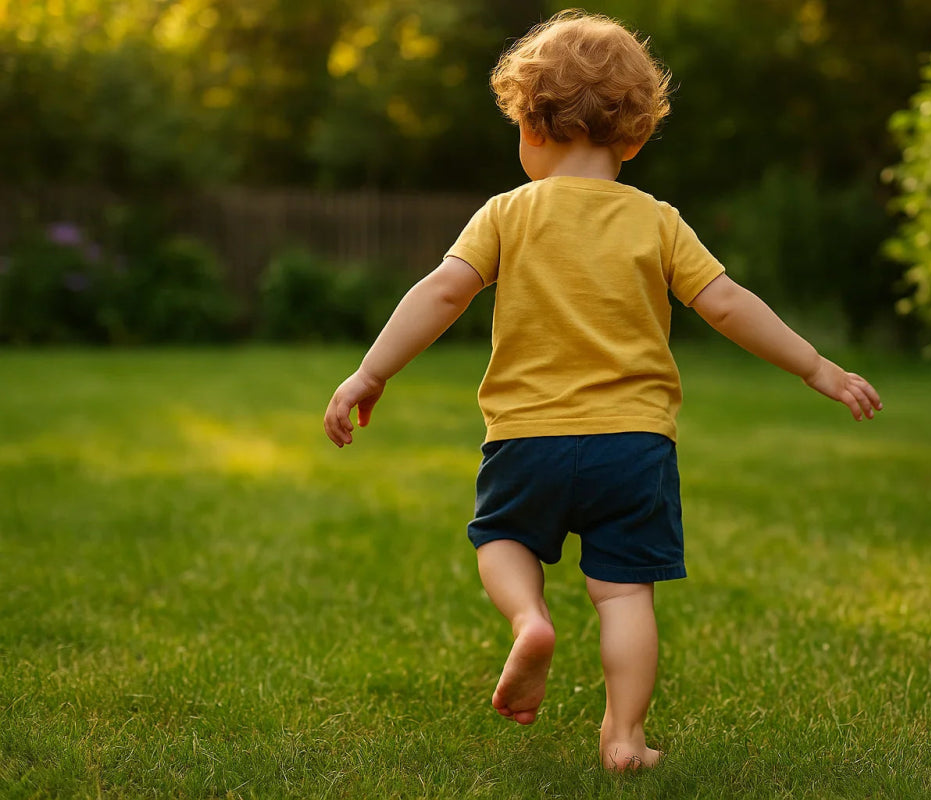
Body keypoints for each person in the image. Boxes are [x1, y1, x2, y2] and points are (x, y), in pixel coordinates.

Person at [323, 9, 882, 773]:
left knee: (503, 542)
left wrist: (371, 370)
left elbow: (442, 293)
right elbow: (725, 302)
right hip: (634, 445)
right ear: (636, 135)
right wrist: (818, 367)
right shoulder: (657, 222)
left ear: (532, 127)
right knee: (623, 597)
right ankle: (622, 736)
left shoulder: (506, 215)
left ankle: (529, 621)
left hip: (526, 439)